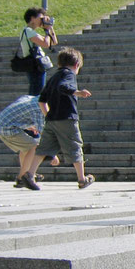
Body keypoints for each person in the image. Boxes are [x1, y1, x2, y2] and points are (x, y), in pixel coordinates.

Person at [28, 47, 95, 189]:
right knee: (75, 146)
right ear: (76, 65)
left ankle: (29, 174)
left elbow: (42, 100)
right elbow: (63, 87)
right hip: (67, 118)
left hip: (52, 120)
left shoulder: (53, 77)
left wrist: (49, 115)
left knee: (44, 148)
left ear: (59, 64)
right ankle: (82, 179)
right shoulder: (69, 74)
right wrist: (77, 92)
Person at [0, 95, 45, 190]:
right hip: (8, 129)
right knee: (36, 146)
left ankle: (23, 177)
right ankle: (23, 178)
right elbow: (43, 133)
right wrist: (53, 154)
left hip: (0, 125)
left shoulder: (31, 98)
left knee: (26, 149)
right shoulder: (39, 109)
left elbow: (17, 112)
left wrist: (27, 125)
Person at [18, 7, 58, 96]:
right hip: (34, 66)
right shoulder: (27, 31)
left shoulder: (32, 32)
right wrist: (47, 30)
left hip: (38, 66)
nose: (42, 20)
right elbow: (45, 44)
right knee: (36, 93)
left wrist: (50, 27)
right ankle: (35, 108)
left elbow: (54, 42)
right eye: (40, 18)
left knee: (37, 92)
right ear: (32, 18)